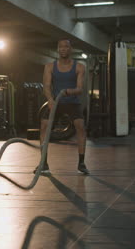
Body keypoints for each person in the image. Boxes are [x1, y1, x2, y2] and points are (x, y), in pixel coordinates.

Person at [34, 39, 89, 175]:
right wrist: (51, 100)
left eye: (66, 46)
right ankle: (43, 163)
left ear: (70, 49)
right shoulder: (50, 67)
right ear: (58, 50)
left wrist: (69, 91)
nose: (63, 49)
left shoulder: (79, 67)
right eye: (61, 47)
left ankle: (81, 163)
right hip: (55, 102)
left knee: (80, 126)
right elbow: (46, 87)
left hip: (72, 102)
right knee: (44, 126)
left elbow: (80, 89)